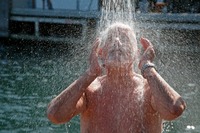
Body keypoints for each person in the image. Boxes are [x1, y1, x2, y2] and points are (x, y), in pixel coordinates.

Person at [47, 23, 186, 133]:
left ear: (136, 53)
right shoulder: (89, 89)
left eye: (125, 38)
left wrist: (148, 68)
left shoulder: (149, 89)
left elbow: (174, 109)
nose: (117, 42)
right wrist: (89, 74)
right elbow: (55, 115)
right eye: (111, 39)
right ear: (100, 52)